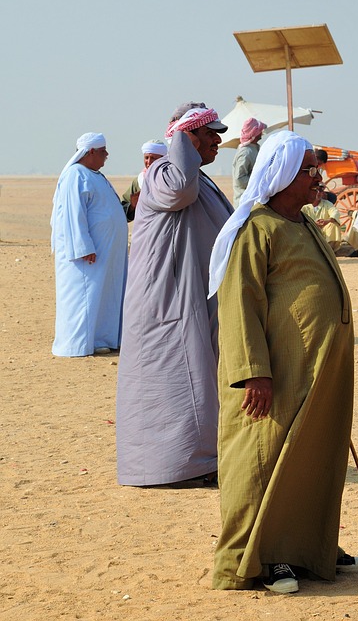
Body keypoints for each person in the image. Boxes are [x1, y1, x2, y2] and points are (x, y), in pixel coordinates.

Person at [209, 130, 358, 593]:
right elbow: (239, 306)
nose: (318, 178)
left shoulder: (302, 223)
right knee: (263, 457)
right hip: (273, 372)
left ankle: (305, 548)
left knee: (312, 457)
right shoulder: (256, 230)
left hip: (317, 372)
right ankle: (263, 559)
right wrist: (252, 372)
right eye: (308, 171)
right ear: (281, 177)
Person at [116, 104, 234, 486]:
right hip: (165, 303)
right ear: (188, 137)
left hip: (192, 296)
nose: (218, 140)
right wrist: (179, 140)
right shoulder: (165, 174)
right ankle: (171, 468)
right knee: (172, 379)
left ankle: (198, 462)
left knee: (198, 378)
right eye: (209, 133)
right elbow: (180, 192)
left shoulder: (197, 175)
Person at [50, 132, 128, 357]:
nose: (107, 155)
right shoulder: (75, 175)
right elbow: (73, 216)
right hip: (87, 255)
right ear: (91, 152)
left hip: (103, 254)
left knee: (101, 297)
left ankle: (100, 339)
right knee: (83, 298)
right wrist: (83, 247)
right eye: (103, 151)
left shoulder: (95, 175)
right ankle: (78, 345)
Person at [121, 140, 167, 221]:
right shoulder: (139, 181)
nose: (149, 162)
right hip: (145, 228)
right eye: (146, 158)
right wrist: (132, 206)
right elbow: (122, 212)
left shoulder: (170, 178)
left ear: (162, 159)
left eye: (153, 158)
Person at [232, 117, 267, 208]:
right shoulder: (245, 152)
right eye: (260, 130)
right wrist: (259, 183)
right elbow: (239, 179)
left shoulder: (254, 149)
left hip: (254, 201)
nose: (262, 133)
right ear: (255, 133)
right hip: (244, 203)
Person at [302, 185, 342, 253]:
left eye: (320, 191)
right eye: (316, 191)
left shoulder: (327, 204)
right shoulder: (304, 206)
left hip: (324, 229)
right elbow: (299, 216)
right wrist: (313, 223)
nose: (318, 193)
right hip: (309, 228)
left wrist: (327, 221)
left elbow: (335, 212)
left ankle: (328, 249)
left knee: (333, 225)